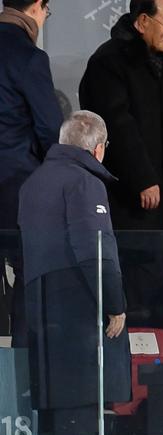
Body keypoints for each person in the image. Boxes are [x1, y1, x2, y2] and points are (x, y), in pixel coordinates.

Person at [18, 111, 130, 435]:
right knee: (82, 429)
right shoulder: (84, 182)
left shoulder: (32, 182)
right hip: (81, 319)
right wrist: (115, 304)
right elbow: (96, 250)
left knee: (52, 434)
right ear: (98, 149)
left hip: (42, 313)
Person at [79, 0, 163, 330]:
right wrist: (142, 177)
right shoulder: (109, 61)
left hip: (160, 191)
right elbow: (116, 124)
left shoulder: (161, 61)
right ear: (142, 22)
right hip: (129, 193)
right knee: (135, 275)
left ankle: (161, 363)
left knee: (158, 273)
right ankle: (132, 363)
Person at [0, 0, 63, 346]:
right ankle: (22, 382)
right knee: (30, 276)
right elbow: (50, 129)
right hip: (16, 186)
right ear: (37, 6)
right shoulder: (29, 56)